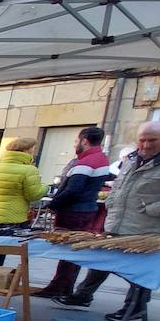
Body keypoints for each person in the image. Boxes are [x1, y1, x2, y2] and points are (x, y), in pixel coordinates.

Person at [52, 122, 160, 320]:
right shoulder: (131, 158)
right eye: (142, 140)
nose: (146, 145)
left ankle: (135, 306)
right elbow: (119, 185)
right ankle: (83, 295)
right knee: (103, 259)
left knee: (139, 270)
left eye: (152, 140)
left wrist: (151, 209)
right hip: (117, 221)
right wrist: (111, 202)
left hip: (146, 227)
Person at [35, 127, 115, 299]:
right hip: (84, 209)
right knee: (73, 250)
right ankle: (65, 286)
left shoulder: (87, 161)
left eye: (76, 141)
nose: (75, 144)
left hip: (75, 211)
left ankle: (59, 286)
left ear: (84, 140)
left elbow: (73, 189)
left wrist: (54, 204)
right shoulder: (100, 158)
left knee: (68, 250)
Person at [0, 137, 47, 263]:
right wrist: (45, 187)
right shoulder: (29, 170)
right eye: (33, 150)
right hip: (12, 217)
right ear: (26, 151)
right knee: (0, 251)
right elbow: (34, 195)